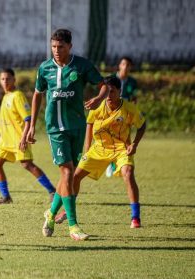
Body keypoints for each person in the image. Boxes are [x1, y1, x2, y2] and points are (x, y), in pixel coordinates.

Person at [24, 29, 108, 240]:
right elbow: (37, 95)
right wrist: (32, 125)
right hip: (55, 128)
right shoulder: (45, 68)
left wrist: (98, 99)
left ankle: (51, 214)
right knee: (68, 173)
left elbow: (104, 86)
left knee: (66, 176)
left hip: (77, 126)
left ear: (70, 46)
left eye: (60, 47)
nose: (56, 51)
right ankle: (73, 227)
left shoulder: (82, 65)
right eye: (53, 47)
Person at [73, 76, 146, 228]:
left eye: (112, 91)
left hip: (121, 149)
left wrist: (135, 144)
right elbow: (89, 124)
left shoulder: (129, 108)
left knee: (128, 173)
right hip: (99, 148)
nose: (108, 95)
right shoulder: (97, 106)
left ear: (120, 91)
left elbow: (142, 125)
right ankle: (69, 208)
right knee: (75, 177)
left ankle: (135, 217)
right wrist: (86, 149)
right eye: (105, 92)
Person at [0, 68, 56, 204]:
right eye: (2, 79)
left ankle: (52, 190)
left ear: (14, 80)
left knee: (27, 165)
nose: (5, 82)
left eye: (8, 79)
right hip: (4, 140)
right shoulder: (6, 96)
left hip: (18, 138)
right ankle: (6, 196)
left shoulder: (18, 96)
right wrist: (1, 135)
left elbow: (27, 119)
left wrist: (23, 138)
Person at [105, 56, 139, 177]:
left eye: (128, 65)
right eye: (123, 64)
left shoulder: (132, 82)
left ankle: (123, 164)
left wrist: (132, 114)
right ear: (119, 65)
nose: (125, 67)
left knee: (124, 139)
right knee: (109, 138)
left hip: (125, 116)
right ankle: (110, 163)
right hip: (111, 115)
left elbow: (134, 100)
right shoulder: (112, 79)